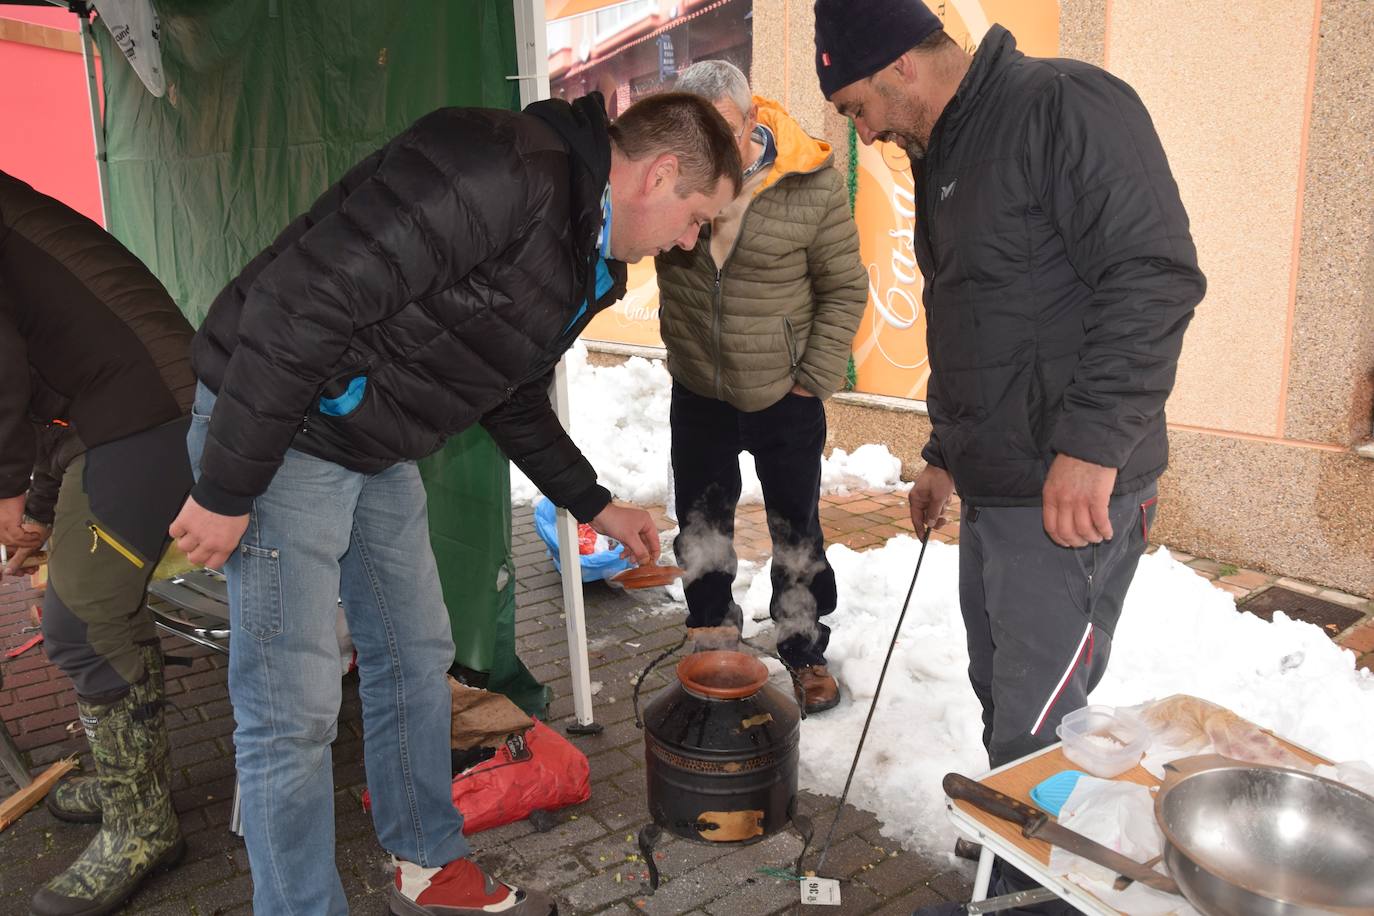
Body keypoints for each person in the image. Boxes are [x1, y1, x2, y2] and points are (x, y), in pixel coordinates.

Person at [167, 92, 741, 916]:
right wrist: (227, 487)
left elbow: (503, 390)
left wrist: (594, 503)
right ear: (659, 173)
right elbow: (303, 302)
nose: (689, 242)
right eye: (696, 218)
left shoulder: (586, 254)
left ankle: (425, 860)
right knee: (291, 713)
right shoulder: (499, 169)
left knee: (415, 654)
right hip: (279, 430)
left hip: (369, 443)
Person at [816, 1, 1203, 910]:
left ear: (902, 66)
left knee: (1040, 720)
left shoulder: (1064, 105)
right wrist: (943, 453)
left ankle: (1031, 888)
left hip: (1067, 492)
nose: (861, 133)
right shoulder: (946, 153)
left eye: (855, 107)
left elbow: (1154, 275)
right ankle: (1020, 850)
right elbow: (979, 324)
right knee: (1005, 698)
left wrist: (1091, 445)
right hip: (997, 489)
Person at [0, 170, 196, 916]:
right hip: (117, 410)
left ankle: (143, 825)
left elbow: (4, 369)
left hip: (145, 408)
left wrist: (4, 488)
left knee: (82, 622)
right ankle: (131, 788)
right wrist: (39, 513)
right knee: (85, 615)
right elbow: (52, 385)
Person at [655, 60, 867, 713]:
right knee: (702, 522)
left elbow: (844, 289)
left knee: (796, 529)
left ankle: (803, 648)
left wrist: (813, 379)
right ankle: (712, 635)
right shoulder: (666, 178)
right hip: (699, 388)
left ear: (752, 119)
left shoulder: (810, 182)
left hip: (785, 394)